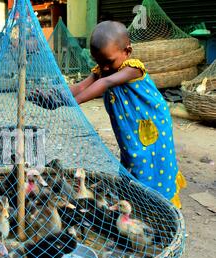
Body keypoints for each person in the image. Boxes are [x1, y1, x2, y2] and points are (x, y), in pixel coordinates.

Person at [70, 21, 186, 208]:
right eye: (99, 63)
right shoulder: (105, 69)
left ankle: (160, 206)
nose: (105, 68)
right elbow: (82, 86)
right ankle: (135, 202)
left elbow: (105, 83)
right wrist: (58, 96)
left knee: (150, 163)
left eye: (108, 62)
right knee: (132, 158)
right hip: (130, 128)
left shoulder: (133, 68)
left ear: (127, 51)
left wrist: (74, 102)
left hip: (151, 123)